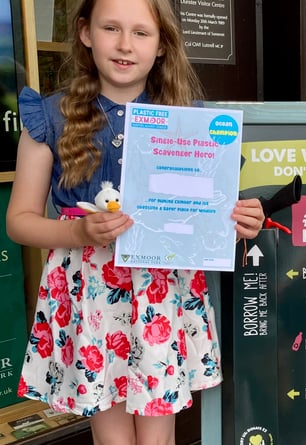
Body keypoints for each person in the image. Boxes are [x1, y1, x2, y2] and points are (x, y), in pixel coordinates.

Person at [5, 0, 264, 444]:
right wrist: (77, 232)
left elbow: (214, 210)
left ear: (162, 44)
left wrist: (242, 218)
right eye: (111, 28)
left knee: (157, 430)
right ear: (86, 33)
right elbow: (19, 222)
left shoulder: (192, 121)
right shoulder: (50, 117)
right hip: (90, 294)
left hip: (160, 289)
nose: (125, 45)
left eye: (141, 33)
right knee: (111, 434)